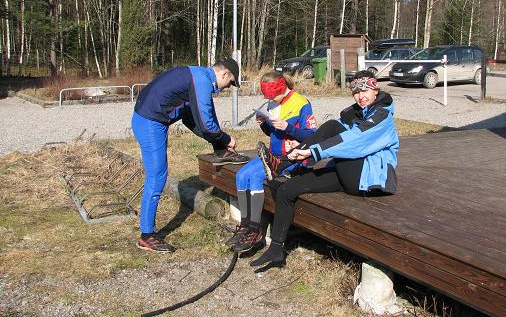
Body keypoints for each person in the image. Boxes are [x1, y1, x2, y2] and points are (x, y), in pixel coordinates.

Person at [251, 70, 399, 266]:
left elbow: (355, 140)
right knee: (287, 189)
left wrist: (313, 152)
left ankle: (285, 163)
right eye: (355, 92)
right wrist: (304, 150)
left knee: (331, 126)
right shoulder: (357, 113)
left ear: (375, 89)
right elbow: (333, 137)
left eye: (365, 90)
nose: (360, 96)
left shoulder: (382, 115)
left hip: (367, 178)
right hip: (347, 171)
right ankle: (277, 249)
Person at [132, 57, 249, 253]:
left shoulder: (198, 76)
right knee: (157, 176)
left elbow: (192, 119)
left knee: (157, 175)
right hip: (149, 122)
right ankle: (147, 236)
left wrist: (220, 146)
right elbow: (206, 124)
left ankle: (147, 233)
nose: (228, 88)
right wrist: (226, 139)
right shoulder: (202, 81)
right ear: (224, 74)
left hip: (149, 118)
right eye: (230, 83)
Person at [226, 71, 317, 252]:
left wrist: (289, 127)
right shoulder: (272, 103)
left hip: (290, 159)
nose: (271, 99)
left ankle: (255, 229)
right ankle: (245, 226)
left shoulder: (301, 103)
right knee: (242, 176)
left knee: (255, 179)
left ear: (282, 87)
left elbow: (312, 135)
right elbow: (273, 134)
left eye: (273, 95)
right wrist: (264, 124)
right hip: (270, 154)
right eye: (268, 97)